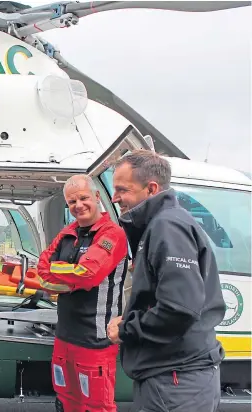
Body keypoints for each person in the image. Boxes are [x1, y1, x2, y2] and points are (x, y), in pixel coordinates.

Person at [107, 150, 226, 411]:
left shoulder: (167, 226)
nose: (115, 198)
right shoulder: (162, 224)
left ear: (151, 188)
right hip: (173, 374)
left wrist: (126, 328)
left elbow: (178, 308)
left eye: (122, 190)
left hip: (176, 379)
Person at [37, 174, 129, 412]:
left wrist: (61, 273)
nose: (78, 205)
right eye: (71, 202)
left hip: (95, 340)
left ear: (97, 197)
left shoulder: (113, 234)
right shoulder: (68, 232)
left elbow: (89, 274)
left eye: (84, 198)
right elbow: (42, 271)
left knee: (97, 405)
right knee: (66, 399)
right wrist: (72, 277)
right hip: (65, 336)